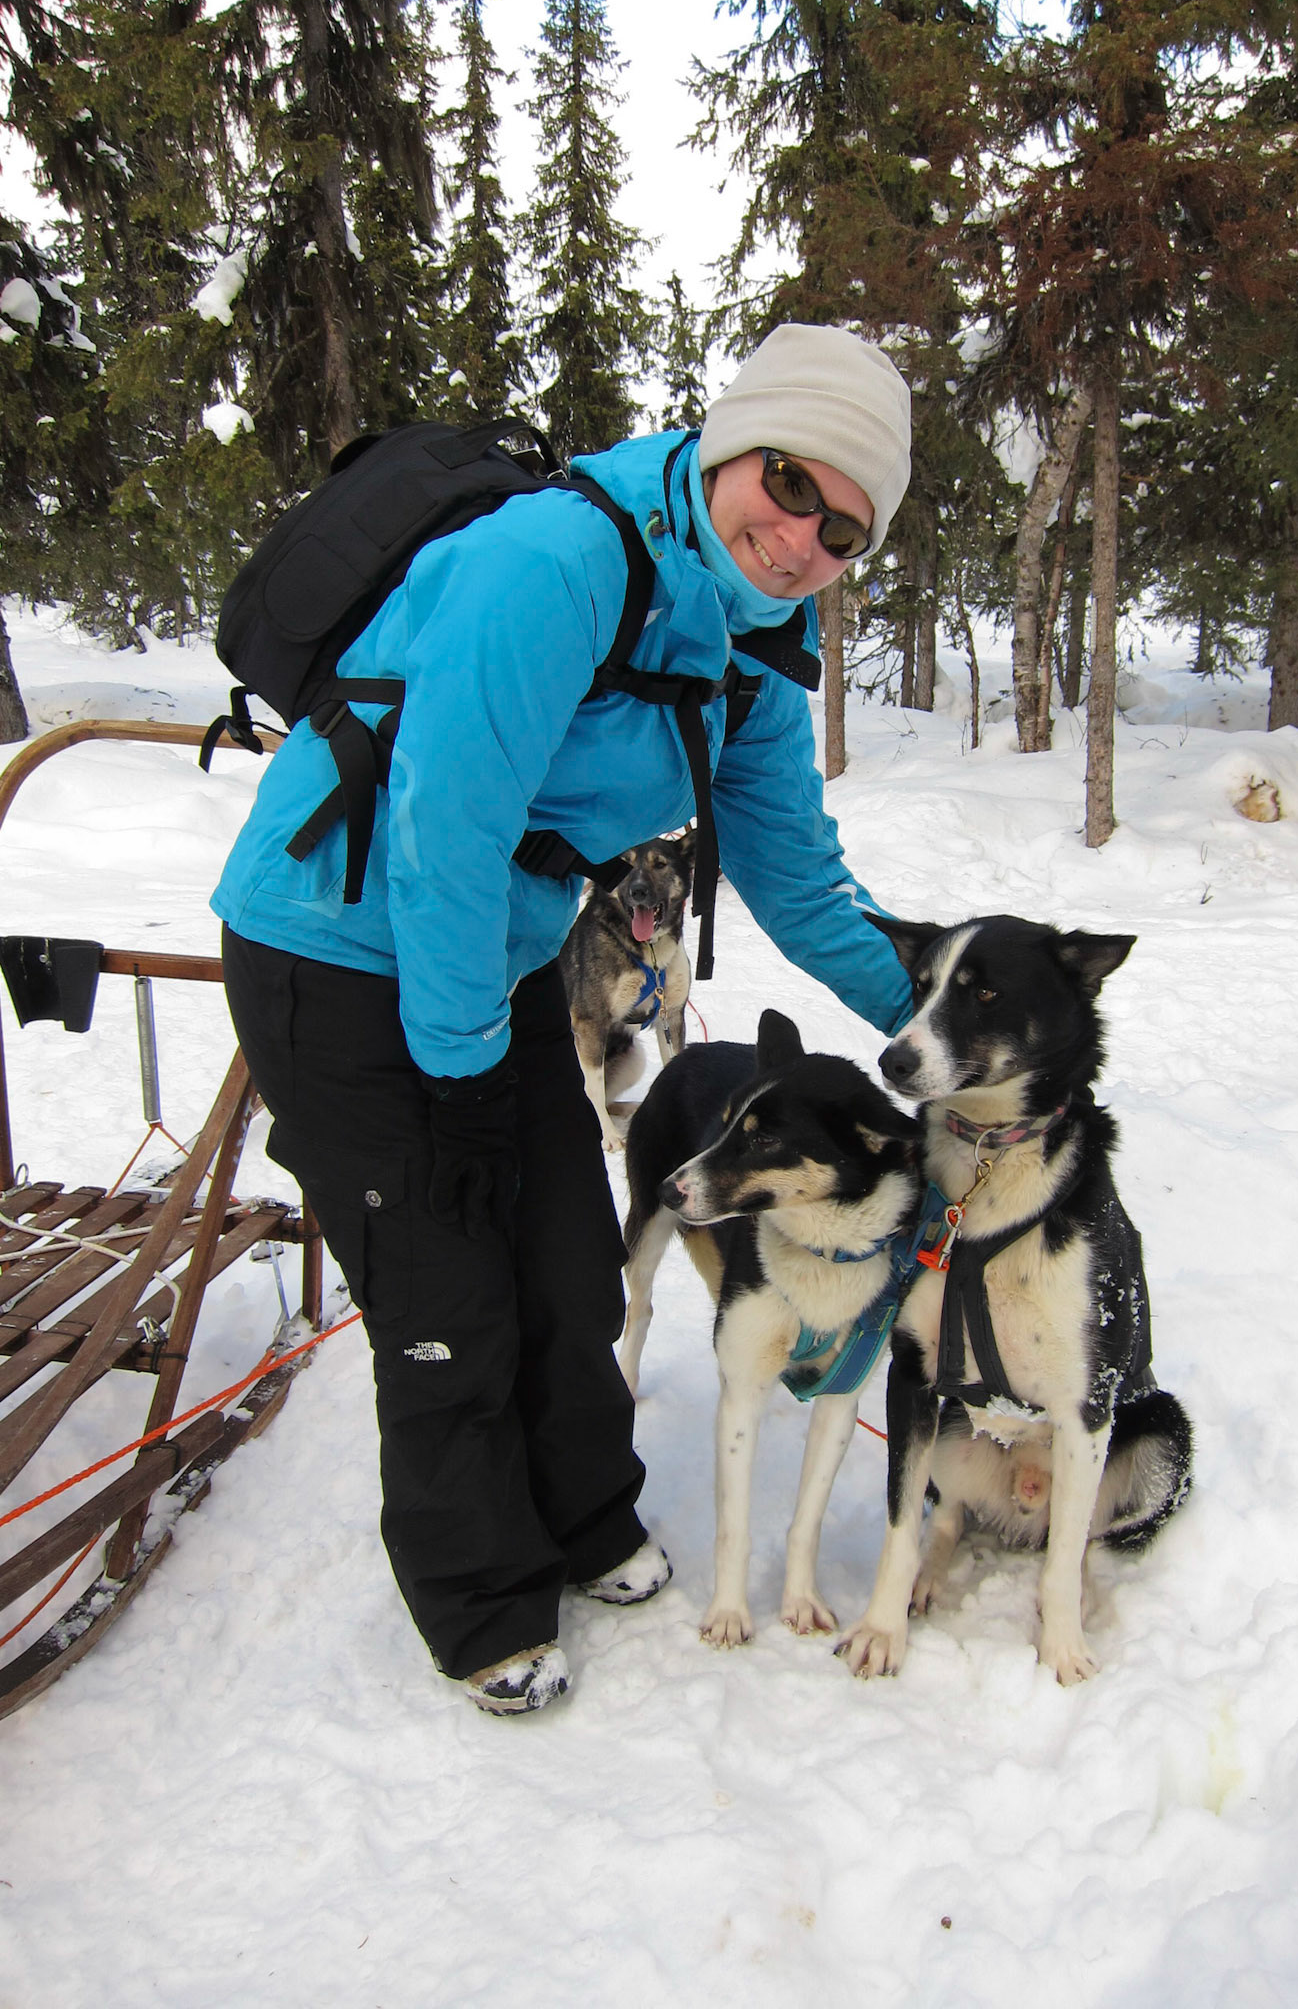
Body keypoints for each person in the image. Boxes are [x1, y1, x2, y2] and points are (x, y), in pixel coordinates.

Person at [212, 322, 915, 1714]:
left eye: (846, 529)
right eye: (790, 484)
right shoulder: (558, 561)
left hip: (490, 957)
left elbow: (794, 876)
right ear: (731, 444)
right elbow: (443, 829)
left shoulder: (757, 642)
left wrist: (938, 1022)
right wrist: (464, 1069)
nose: (801, 540)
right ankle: (479, 1602)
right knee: (444, 1289)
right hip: (335, 946)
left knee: (568, 1254)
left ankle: (586, 1518)